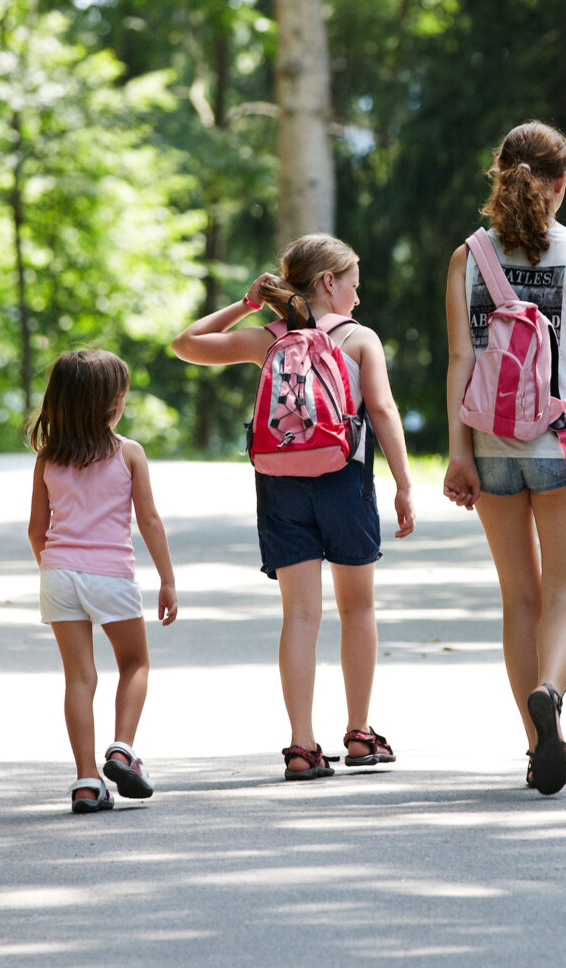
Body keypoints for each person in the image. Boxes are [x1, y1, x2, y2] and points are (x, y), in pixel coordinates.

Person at [171, 234, 417, 782]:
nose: (359, 292)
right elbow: (381, 409)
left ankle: (302, 745)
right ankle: (359, 733)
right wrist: (403, 484)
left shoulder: (266, 338)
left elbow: (186, 343)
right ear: (329, 281)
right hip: (344, 478)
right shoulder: (360, 339)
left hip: (279, 482)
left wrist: (245, 304)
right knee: (357, 609)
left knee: (300, 616)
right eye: (353, 281)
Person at [441, 122, 566, 797]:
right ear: (559, 182)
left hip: (488, 444)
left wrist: (459, 453)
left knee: (519, 596)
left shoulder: (468, 256)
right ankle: (552, 689)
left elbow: (461, 360)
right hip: (562, 441)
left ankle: (534, 743)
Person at [26, 348, 180, 815]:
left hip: (58, 574)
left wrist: (53, 569)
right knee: (134, 663)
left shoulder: (47, 458)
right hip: (110, 575)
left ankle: (86, 782)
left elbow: (37, 530)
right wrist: (168, 581)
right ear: (111, 403)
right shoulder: (127, 453)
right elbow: (149, 521)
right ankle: (122, 750)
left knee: (79, 677)